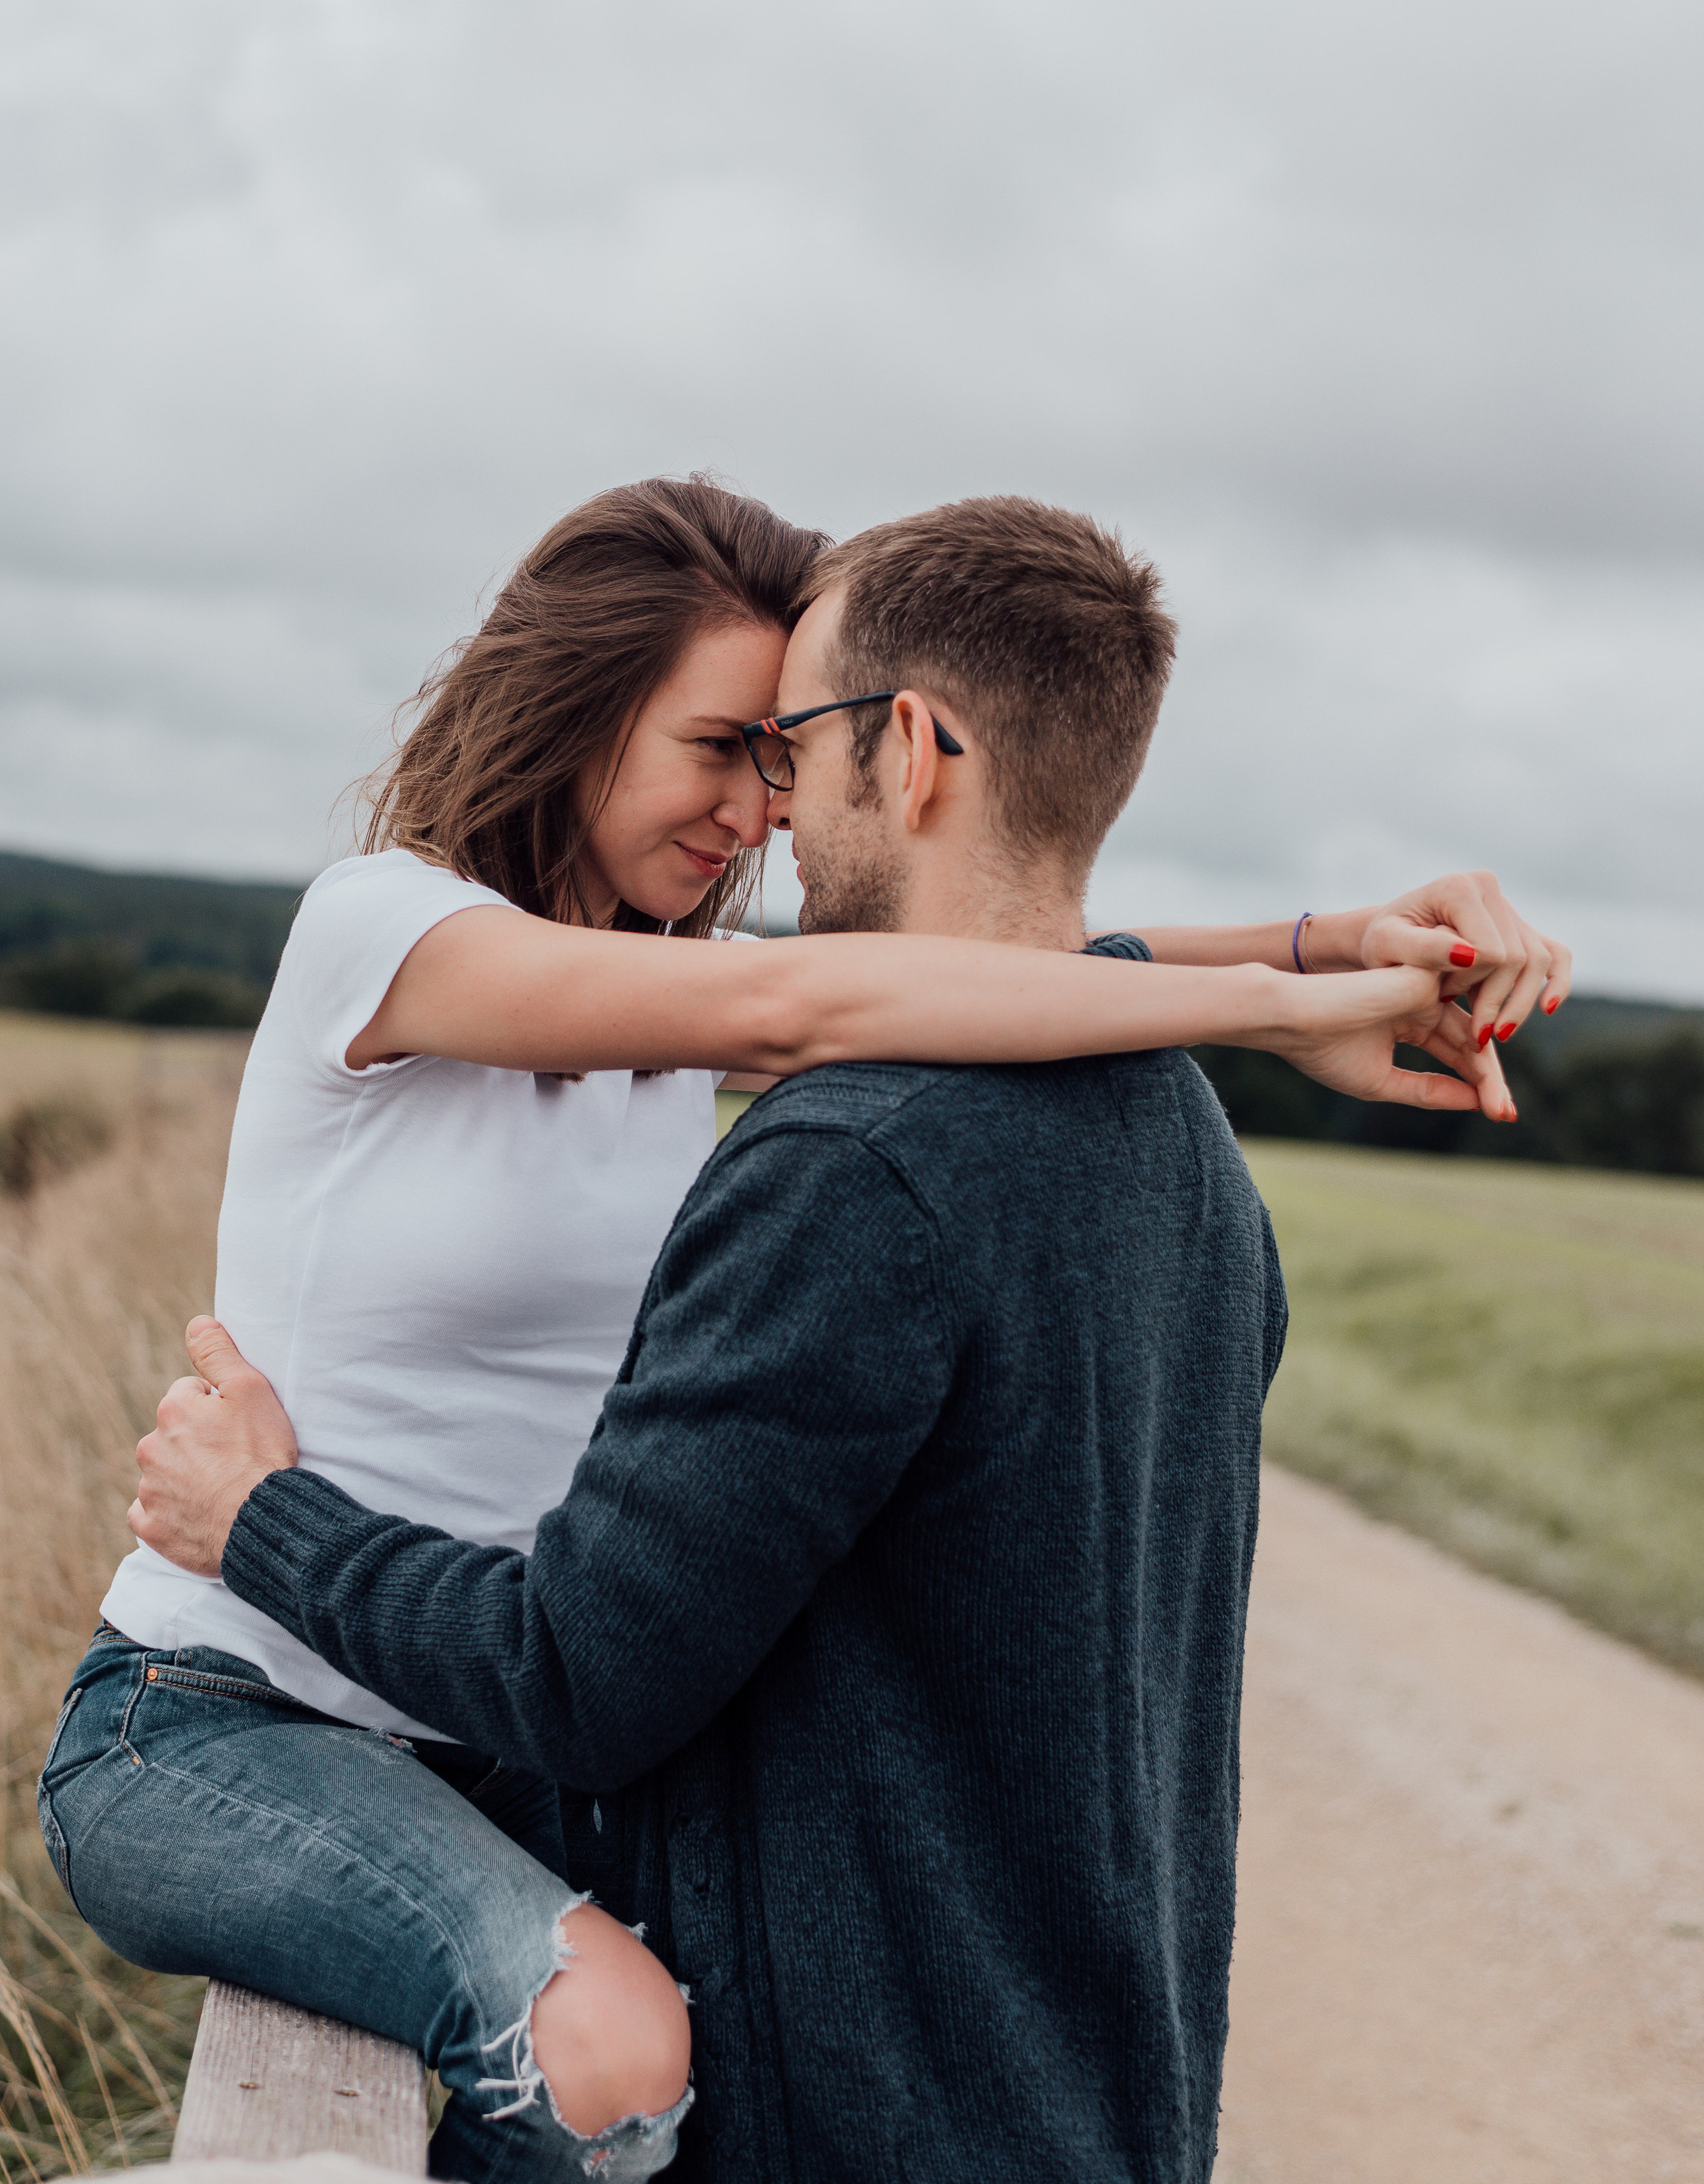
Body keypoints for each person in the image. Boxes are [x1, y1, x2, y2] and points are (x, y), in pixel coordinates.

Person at [120, 495, 1570, 2183]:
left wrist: (1316, 957)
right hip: (1090, 2101)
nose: (767, 806)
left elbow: (576, 1673)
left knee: (595, 2051)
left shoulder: (847, 1157)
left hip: (811, 2052)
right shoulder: (1183, 1154)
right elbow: (847, 995)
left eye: (785, 745)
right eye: (726, 747)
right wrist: (1296, 984)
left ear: (910, 745)